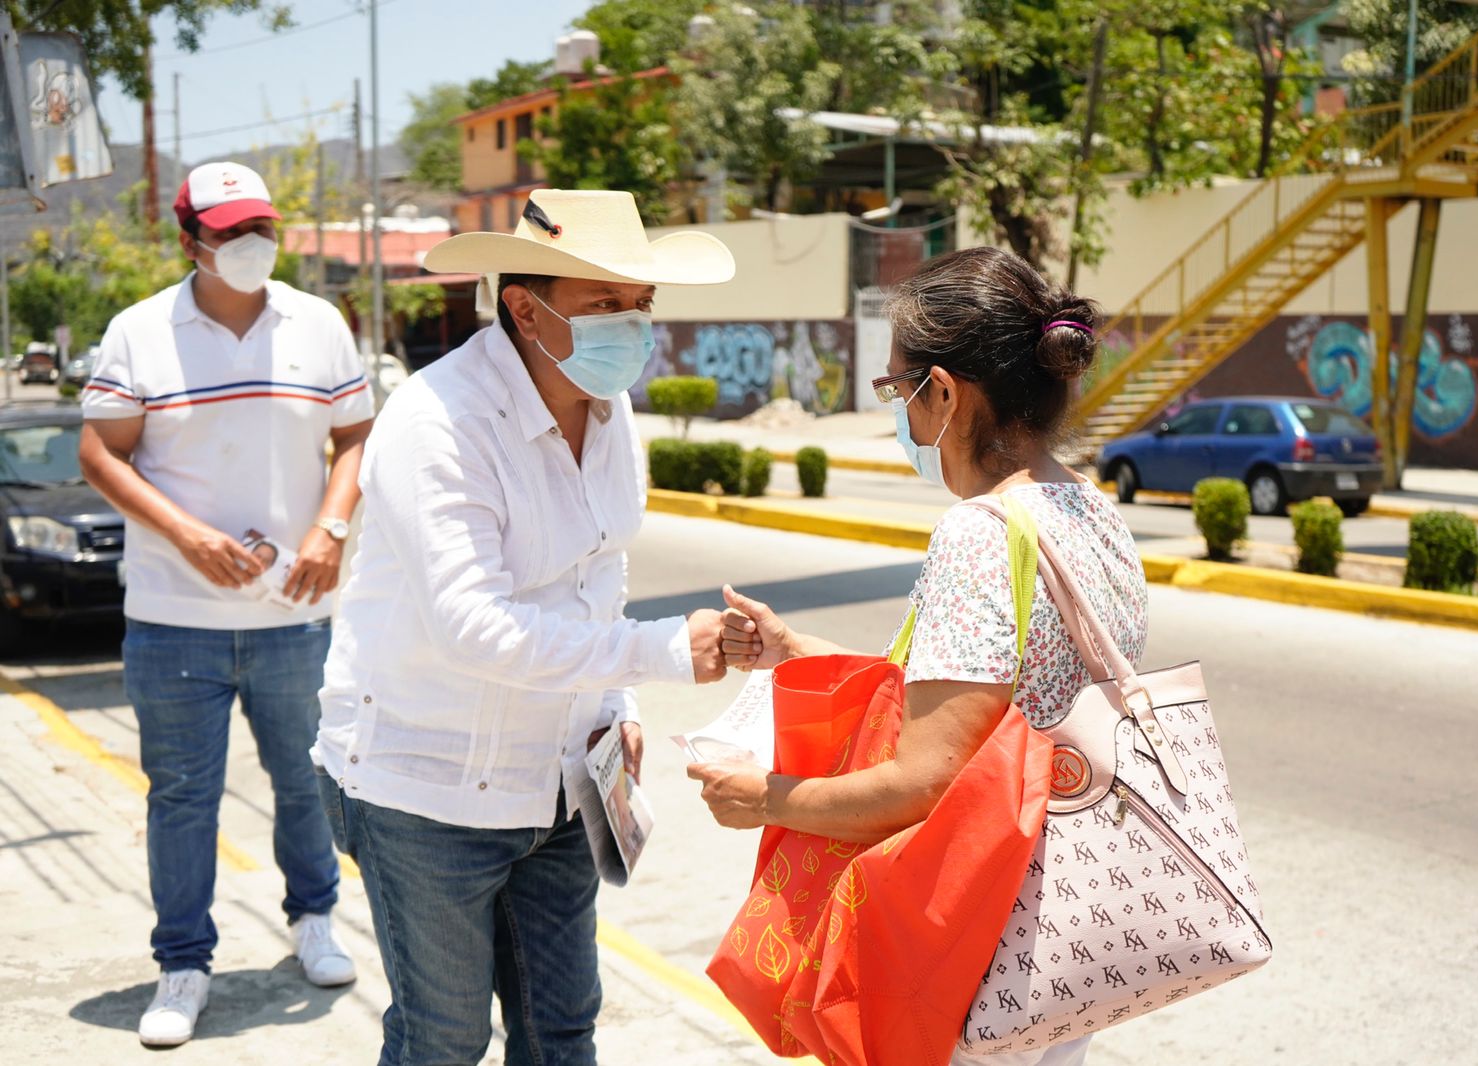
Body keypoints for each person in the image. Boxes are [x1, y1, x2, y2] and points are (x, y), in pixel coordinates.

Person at [689, 247, 1150, 1066]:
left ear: (943, 392)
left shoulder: (980, 533)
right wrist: (797, 652)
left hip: (972, 939)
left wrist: (766, 798)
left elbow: (926, 781)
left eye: (898, 389)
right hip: (1062, 929)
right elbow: (979, 698)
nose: (900, 413)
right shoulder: (1092, 511)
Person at [313, 188, 735, 1066]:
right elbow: (474, 627)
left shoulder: (612, 413)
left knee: (561, 1027)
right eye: (605, 304)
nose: (633, 325)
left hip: (560, 780)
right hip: (428, 789)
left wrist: (614, 698)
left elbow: (601, 566)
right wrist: (657, 653)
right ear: (522, 306)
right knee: (443, 1038)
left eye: (641, 303)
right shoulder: (440, 422)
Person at [78, 161, 374, 1048]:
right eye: (230, 233)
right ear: (190, 243)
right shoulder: (138, 333)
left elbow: (355, 434)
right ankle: (183, 965)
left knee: (305, 784)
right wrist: (188, 536)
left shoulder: (319, 324)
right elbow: (101, 452)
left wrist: (330, 527)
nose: (251, 246)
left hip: (293, 614)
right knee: (183, 798)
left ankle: (313, 922)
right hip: (175, 622)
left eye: (261, 229)